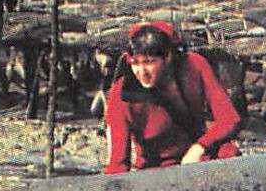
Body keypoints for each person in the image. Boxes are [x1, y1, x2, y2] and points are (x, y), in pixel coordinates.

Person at [104, 21, 242, 173]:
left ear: (168, 57)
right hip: (156, 169)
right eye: (135, 63)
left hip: (195, 157)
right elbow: (117, 163)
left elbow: (229, 119)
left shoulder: (194, 66)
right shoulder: (121, 95)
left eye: (149, 62)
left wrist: (199, 147)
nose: (142, 72)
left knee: (229, 152)